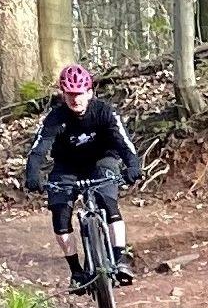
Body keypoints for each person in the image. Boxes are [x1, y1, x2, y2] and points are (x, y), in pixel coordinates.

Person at [22, 65, 143, 289]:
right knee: (60, 214)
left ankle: (119, 259)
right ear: (63, 94)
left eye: (79, 94)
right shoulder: (55, 118)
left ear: (89, 92)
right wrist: (32, 174)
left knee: (109, 203)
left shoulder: (104, 112)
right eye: (70, 94)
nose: (75, 99)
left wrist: (133, 166)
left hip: (101, 161)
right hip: (66, 167)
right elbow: (39, 149)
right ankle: (77, 272)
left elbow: (123, 142)